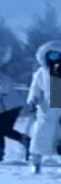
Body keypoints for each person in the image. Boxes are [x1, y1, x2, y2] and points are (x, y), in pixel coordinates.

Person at [27, 41, 61, 169]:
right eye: (52, 56)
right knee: (40, 135)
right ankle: (35, 161)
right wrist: (33, 99)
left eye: (58, 56)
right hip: (46, 109)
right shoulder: (41, 72)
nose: (55, 59)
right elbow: (35, 87)